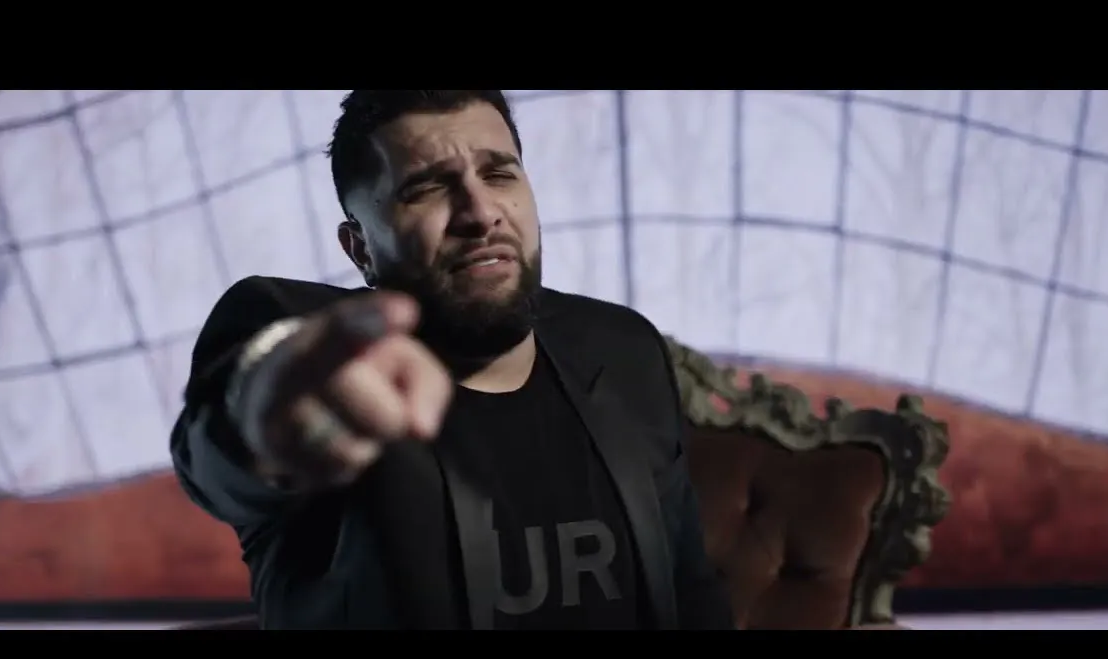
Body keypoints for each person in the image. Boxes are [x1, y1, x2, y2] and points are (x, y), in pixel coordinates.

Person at [170, 90, 734, 630]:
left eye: (499, 174)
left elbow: (691, 595)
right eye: (427, 188)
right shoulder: (319, 354)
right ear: (360, 248)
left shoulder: (624, 348)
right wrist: (265, 418)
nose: (480, 212)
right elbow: (219, 459)